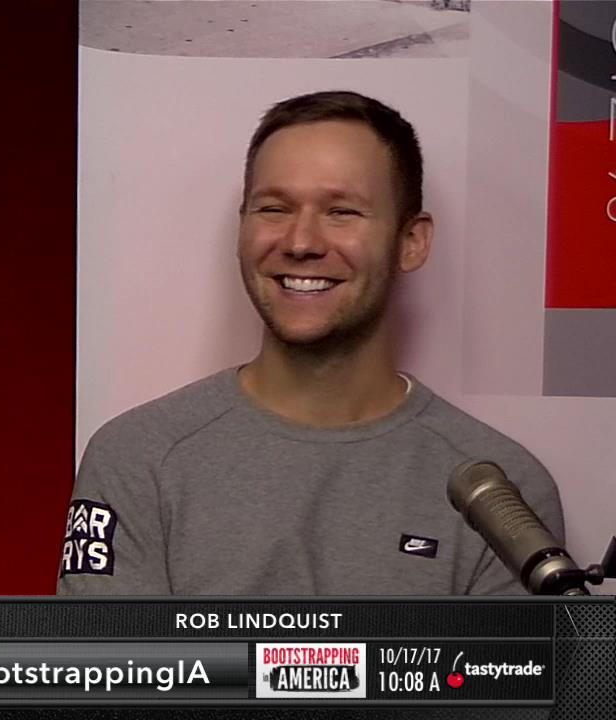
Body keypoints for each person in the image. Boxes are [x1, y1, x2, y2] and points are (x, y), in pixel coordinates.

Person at [58, 90, 563, 596]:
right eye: (274, 209)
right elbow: (117, 651)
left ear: (411, 242)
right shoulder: (138, 457)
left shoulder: (499, 495)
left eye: (341, 212)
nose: (301, 243)